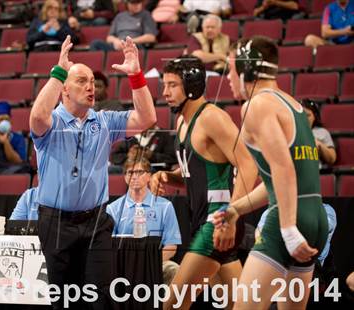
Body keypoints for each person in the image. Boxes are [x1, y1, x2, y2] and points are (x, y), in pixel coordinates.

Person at [29, 34, 156, 309]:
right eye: (81, 81)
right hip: (56, 222)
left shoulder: (104, 121)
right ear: (64, 89)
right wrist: (58, 71)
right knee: (63, 300)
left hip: (96, 221)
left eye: (92, 82)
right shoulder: (51, 123)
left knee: (99, 298)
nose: (91, 87)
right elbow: (37, 117)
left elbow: (146, 119)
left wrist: (136, 75)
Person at [213, 35, 329, 309]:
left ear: (248, 70)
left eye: (231, 68)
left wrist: (288, 229)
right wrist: (236, 209)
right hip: (315, 217)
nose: (228, 77)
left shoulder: (257, 105)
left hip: (287, 220)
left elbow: (283, 169)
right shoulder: (294, 106)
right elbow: (277, 180)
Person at [150, 56, 258, 309]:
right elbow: (192, 172)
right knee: (238, 304)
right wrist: (167, 176)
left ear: (192, 85)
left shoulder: (212, 118)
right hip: (203, 220)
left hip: (216, 221)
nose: (165, 92)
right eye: (164, 85)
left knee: (173, 304)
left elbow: (248, 164)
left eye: (172, 85)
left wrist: (231, 216)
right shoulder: (183, 122)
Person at [107, 157, 182, 285]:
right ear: (125, 177)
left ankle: (167, 305)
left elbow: (171, 246)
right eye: (130, 173)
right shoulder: (113, 209)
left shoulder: (165, 206)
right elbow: (109, 246)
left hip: (156, 263)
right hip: (124, 264)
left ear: (149, 176)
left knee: (174, 270)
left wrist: (150, 263)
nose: (135, 177)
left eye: (140, 172)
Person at [89, 0, 158, 51]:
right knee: (95, 43)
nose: (137, 5)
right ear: (127, 4)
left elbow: (151, 37)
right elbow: (109, 38)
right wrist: (116, 41)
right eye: (133, 3)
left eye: (138, 2)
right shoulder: (119, 16)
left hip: (135, 45)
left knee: (132, 47)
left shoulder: (146, 15)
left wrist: (130, 42)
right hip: (118, 45)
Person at [111, 125, 177, 171]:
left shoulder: (164, 135)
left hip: (153, 170)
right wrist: (129, 156)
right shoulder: (131, 138)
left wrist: (152, 156)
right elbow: (113, 157)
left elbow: (172, 159)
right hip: (131, 169)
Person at [301, 99, 337, 167]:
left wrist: (320, 145)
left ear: (314, 116)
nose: (304, 118)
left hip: (316, 171)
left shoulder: (322, 132)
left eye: (308, 115)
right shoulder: (291, 131)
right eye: (302, 115)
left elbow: (332, 158)